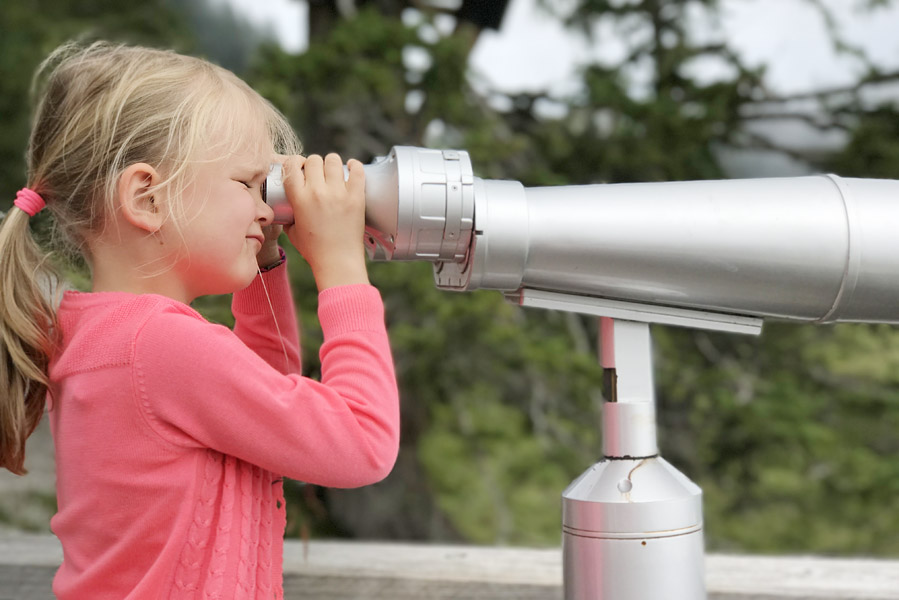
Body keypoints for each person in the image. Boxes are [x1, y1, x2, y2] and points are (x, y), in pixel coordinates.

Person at [0, 41, 400, 599]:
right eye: (246, 184)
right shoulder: (159, 344)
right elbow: (362, 442)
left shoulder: (107, 335)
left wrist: (268, 261)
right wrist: (342, 267)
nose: (266, 207)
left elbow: (261, 410)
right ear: (147, 198)